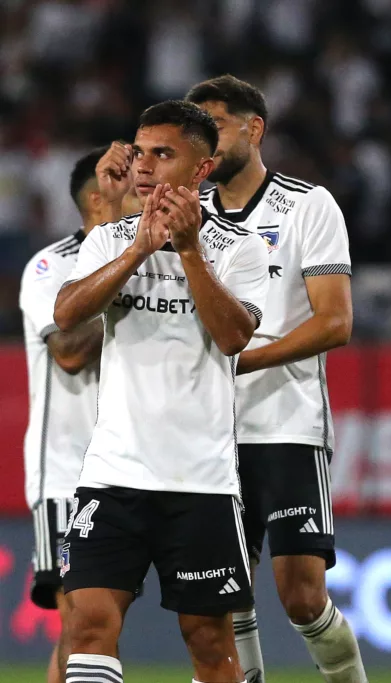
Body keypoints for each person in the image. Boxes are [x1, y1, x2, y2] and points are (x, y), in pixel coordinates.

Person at [53, 100, 269, 683]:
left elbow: (231, 337)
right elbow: (68, 314)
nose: (144, 165)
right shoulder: (110, 240)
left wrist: (188, 249)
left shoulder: (241, 248)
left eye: (163, 154)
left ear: (200, 170)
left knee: (208, 642)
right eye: (140, 150)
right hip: (114, 473)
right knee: (89, 626)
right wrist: (139, 250)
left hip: (200, 480)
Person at [185, 74, 363, 683]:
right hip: (209, 433)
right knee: (222, 596)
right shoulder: (188, 215)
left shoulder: (309, 205)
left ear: (253, 128)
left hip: (287, 423)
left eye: (214, 126)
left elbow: (335, 322)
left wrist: (241, 361)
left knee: (302, 596)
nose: (203, 143)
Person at [19, 147, 110, 683]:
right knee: (80, 622)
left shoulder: (155, 259)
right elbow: (71, 353)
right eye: (124, 175)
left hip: (131, 469)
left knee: (94, 628)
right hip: (66, 474)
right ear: (97, 198)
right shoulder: (51, 266)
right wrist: (126, 287)